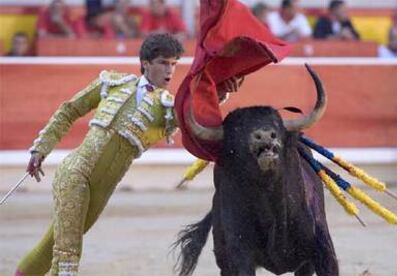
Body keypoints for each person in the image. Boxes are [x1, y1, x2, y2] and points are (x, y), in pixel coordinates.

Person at [14, 33, 241, 276]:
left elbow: (194, 116)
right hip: (74, 172)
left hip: (102, 190)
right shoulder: (111, 83)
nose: (170, 70)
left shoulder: (167, 107)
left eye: (174, 64)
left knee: (51, 247)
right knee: (67, 254)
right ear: (146, 63)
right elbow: (69, 111)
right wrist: (41, 148)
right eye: (164, 62)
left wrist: (217, 93)